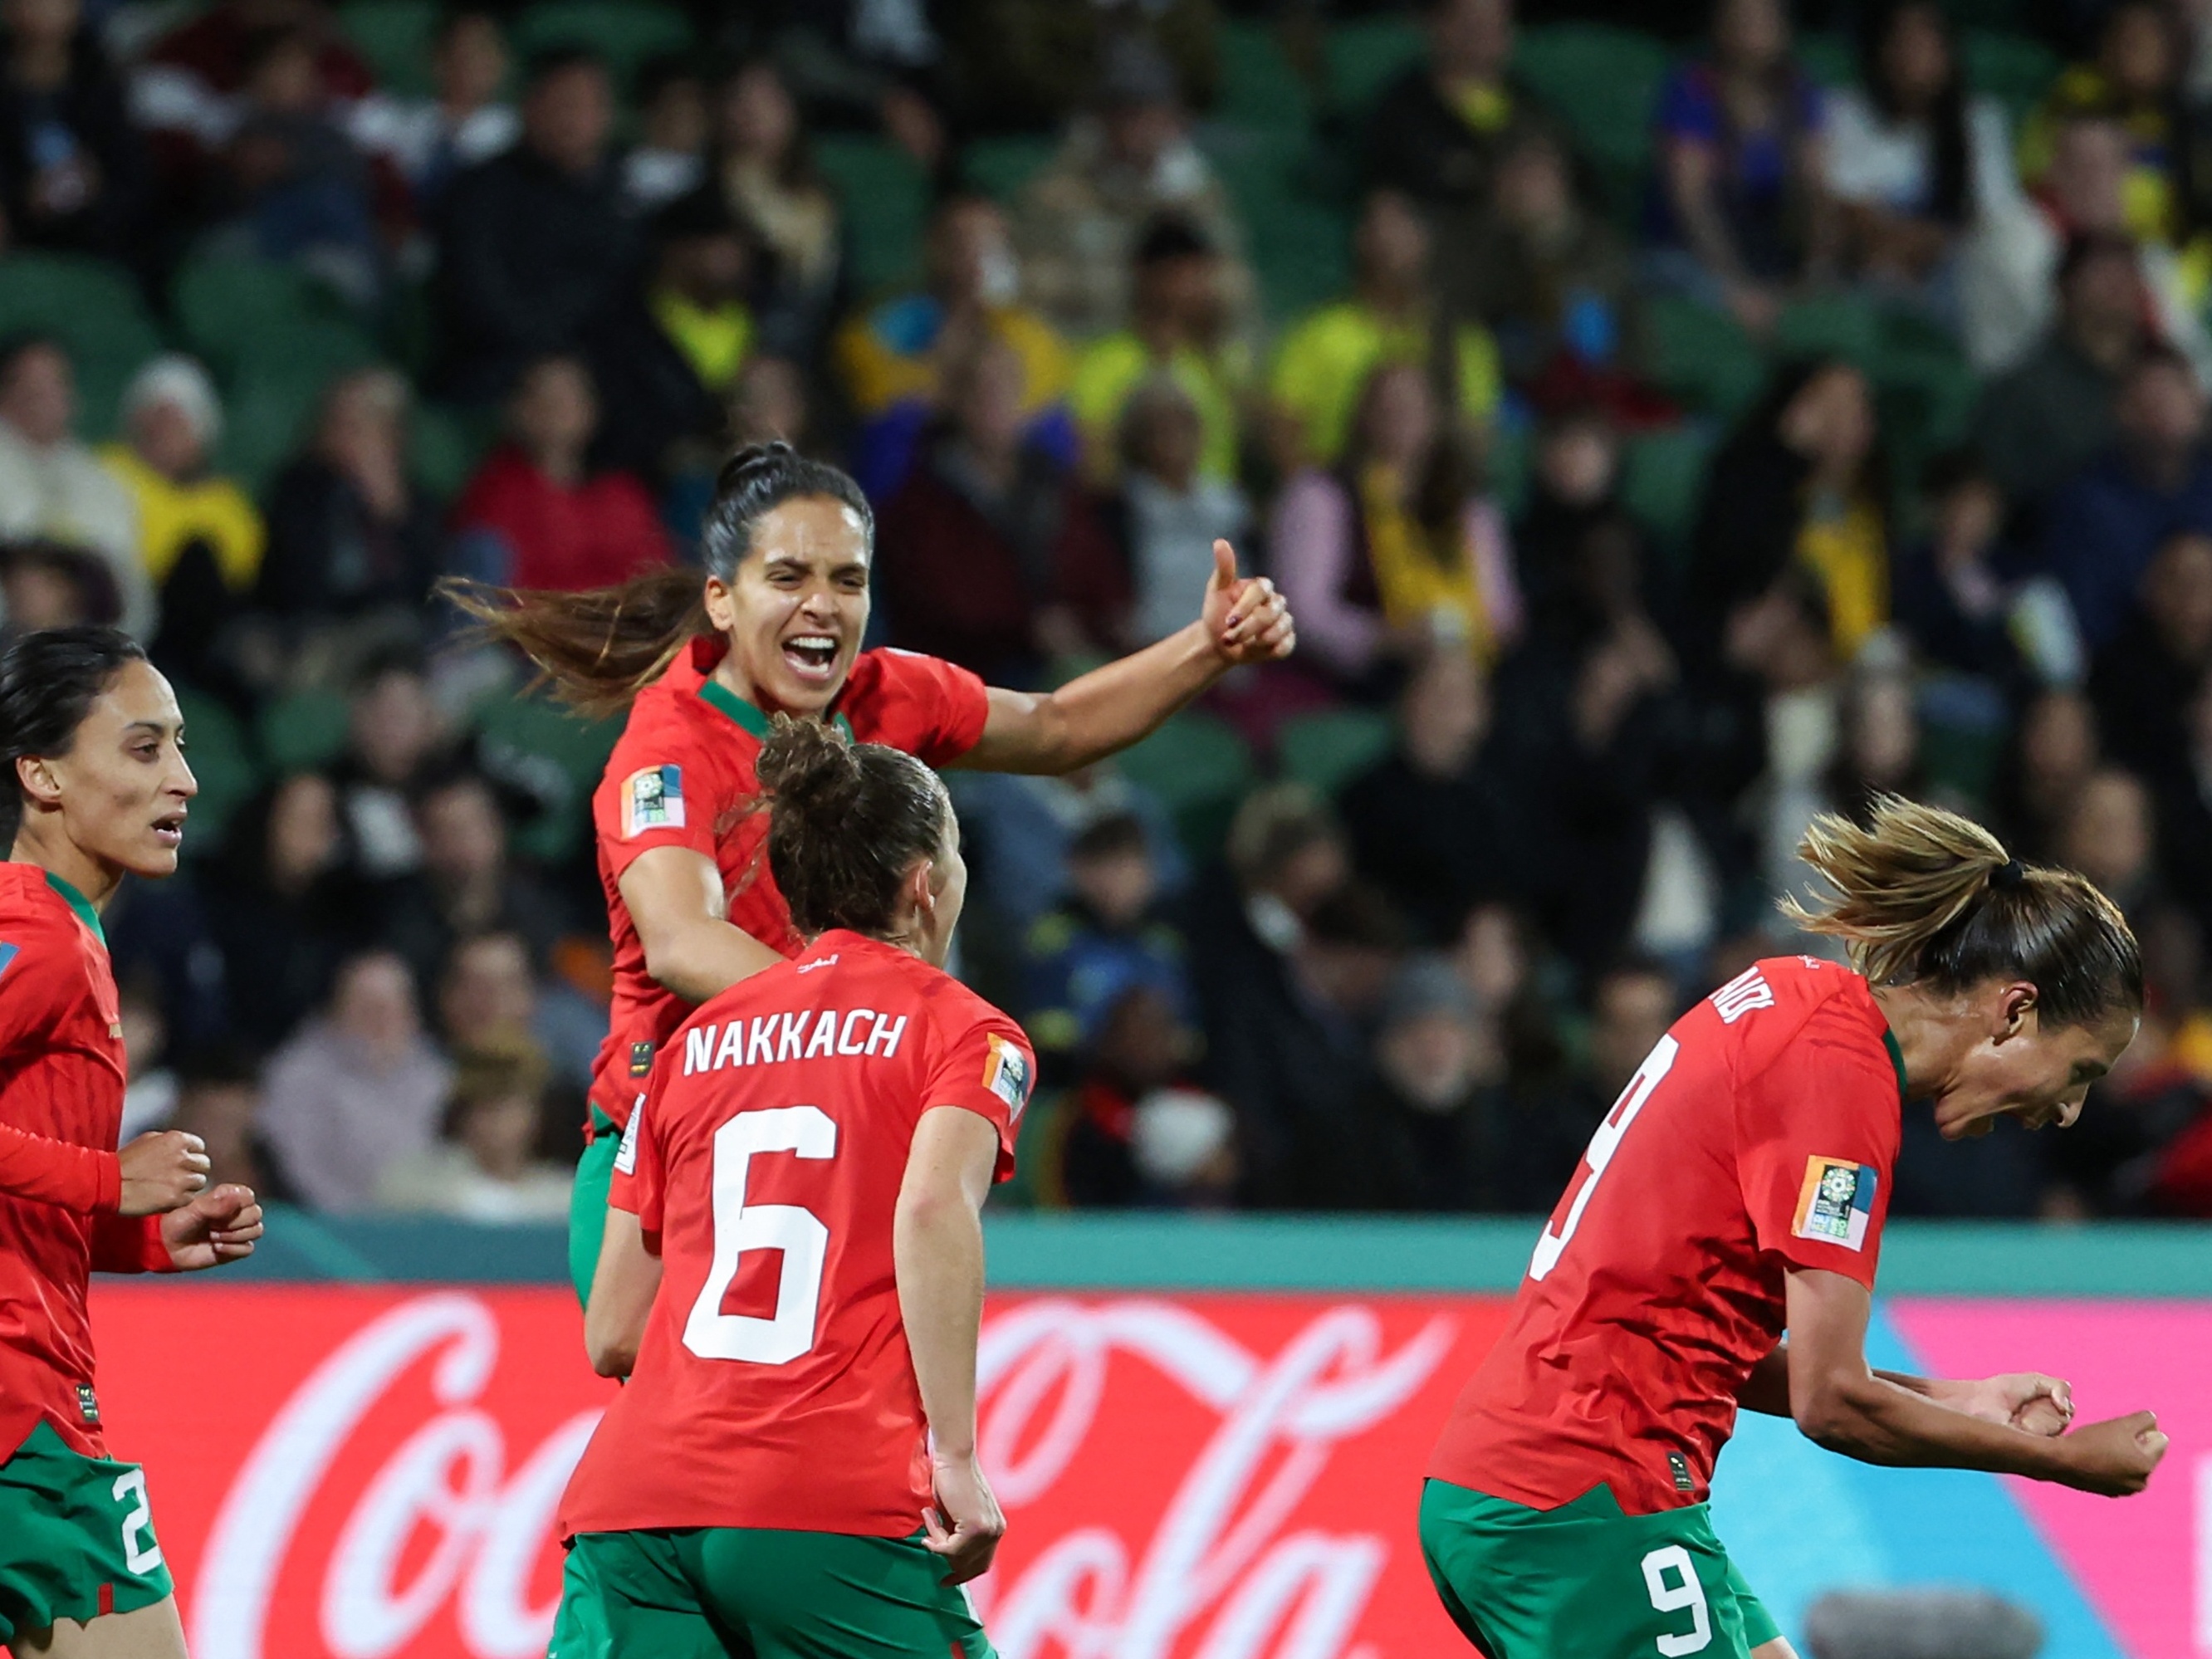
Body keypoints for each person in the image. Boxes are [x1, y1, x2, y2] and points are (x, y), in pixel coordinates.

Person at [447, 440, 1292, 1302]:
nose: (822, 606)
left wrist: (1207, 648)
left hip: (832, 1129)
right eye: (789, 577)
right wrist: (870, 1024)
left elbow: (1058, 725)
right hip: (670, 1146)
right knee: (655, 1373)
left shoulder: (885, 696)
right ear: (723, 600)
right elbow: (681, 941)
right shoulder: (665, 754)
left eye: (848, 581)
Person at [1421, 795, 2165, 1658]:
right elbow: (1833, 1403)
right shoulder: (1840, 1087)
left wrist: (1963, 1399)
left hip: (1548, 1485)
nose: (2071, 1110)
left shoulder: (1797, 998)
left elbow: (1703, 1344)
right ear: (2013, 1011)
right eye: (2080, 1071)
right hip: (1583, 1498)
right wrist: (2066, 1466)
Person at [553, 719, 1027, 1657]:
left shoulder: (688, 1049)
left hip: (632, 1510)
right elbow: (932, 1209)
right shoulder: (965, 1033)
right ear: (927, 882)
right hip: (821, 1501)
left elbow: (612, 1331)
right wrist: (957, 1459)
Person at [0, 625, 263, 1658]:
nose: (187, 780)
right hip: (23, 1429)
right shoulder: (41, 936)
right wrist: (108, 1176)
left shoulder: (62, 930)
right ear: (44, 775)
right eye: (145, 749)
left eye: (183, 746)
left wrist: (136, 1236)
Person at [876, 335, 1126, 684]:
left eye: (1006, 387)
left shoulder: (1053, 482)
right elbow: (944, 604)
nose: (994, 402)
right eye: (981, 388)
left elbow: (1096, 572)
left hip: (1067, 656)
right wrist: (1029, 627)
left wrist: (1095, 619)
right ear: (956, 400)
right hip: (968, 675)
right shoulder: (921, 500)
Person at [1272, 360, 1520, 699]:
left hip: (1469, 669)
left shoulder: (1467, 505)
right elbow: (1303, 609)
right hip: (1364, 673)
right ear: (1364, 415)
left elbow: (1501, 609)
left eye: (1414, 405)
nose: (1401, 416)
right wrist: (1381, 638)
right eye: (1388, 405)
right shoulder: (1322, 494)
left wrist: (1471, 638)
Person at [1012, 34, 1255, 347]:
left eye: (1144, 112)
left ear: (1172, 118)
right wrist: (1139, 286)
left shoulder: (1198, 195)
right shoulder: (1057, 193)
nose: (1133, 128)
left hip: (1177, 352)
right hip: (1085, 347)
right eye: (1121, 112)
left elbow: (1231, 280)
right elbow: (1033, 286)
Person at [834, 189, 1074, 502]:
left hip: (1001, 466)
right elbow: (880, 397)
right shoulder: (887, 323)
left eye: (989, 242)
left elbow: (1026, 408)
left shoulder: (1028, 331)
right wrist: (964, 393)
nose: (974, 253)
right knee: (891, 433)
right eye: (961, 239)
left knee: (1055, 429)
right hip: (920, 469)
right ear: (933, 246)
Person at [434, 47, 633, 404]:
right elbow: (478, 302)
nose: (574, 119)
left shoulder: (624, 203)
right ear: (529, 106)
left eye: (589, 105)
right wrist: (549, 362)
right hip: (495, 371)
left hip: (597, 379)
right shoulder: (479, 192)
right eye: (564, 103)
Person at [1269, 188, 1501, 471]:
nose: (1388, 242)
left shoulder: (1464, 342)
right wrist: (1335, 496)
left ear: (1426, 239)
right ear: (1360, 240)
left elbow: (1475, 440)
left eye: (1402, 227)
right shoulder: (1318, 334)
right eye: (1377, 227)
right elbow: (1281, 435)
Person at [1648, 0, 1835, 334]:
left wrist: (1814, 268)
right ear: (1720, 25)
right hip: (1693, 252)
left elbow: (1815, 189)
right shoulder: (1693, 88)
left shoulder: (1798, 88)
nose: (1754, 28)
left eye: (1765, 17)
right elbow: (1691, 204)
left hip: (1769, 247)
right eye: (1742, 18)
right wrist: (1734, 283)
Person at [1821, 0, 2014, 309]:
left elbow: (1993, 215)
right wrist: (1895, 241)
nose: (1913, 54)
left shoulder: (1980, 121)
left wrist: (1925, 244)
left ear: (1949, 54)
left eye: (1927, 42)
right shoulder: (1845, 110)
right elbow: (1842, 203)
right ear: (1880, 50)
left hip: (1955, 269)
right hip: (1865, 264)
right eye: (1902, 41)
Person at [449, 354, 669, 591]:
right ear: (518, 410)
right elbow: (500, 594)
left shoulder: (624, 495)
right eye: (544, 398)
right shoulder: (497, 493)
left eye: (570, 397)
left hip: (619, 624)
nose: (557, 410)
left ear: (591, 410)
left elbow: (656, 584)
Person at [97, 355, 261, 675]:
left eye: (178, 421)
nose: (165, 431)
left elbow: (240, 574)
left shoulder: (227, 502)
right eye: (157, 416)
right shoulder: (106, 470)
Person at [256, 946, 452, 1211]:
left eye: (389, 1008)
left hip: (422, 1224)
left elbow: (450, 1160)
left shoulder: (436, 1075)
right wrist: (358, 1219)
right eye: (366, 1009)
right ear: (337, 1010)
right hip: (328, 1224)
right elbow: (295, 1166)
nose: (379, 1021)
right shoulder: (297, 1075)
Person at [257, 366, 443, 631]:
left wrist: (392, 518)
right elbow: (296, 585)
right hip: (314, 631)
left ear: (391, 436)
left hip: (398, 636)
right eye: (333, 421)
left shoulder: (417, 505)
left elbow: (429, 594)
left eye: (355, 426)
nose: (339, 435)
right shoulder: (298, 490)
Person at [1971, 232, 2144, 506]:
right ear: (2065, 288)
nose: (2118, 286)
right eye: (2102, 273)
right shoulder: (2022, 390)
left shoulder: (2165, 376)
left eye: (2127, 274)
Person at [0, 336, 148, 639]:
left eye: (54, 382)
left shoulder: (105, 484)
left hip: (87, 657)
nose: (40, 396)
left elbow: (136, 600)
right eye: (28, 383)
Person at [0, 0, 144, 261]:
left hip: (98, 236)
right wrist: (19, 202)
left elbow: (133, 176)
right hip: (18, 236)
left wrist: (96, 184)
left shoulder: (100, 81)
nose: (47, 11)